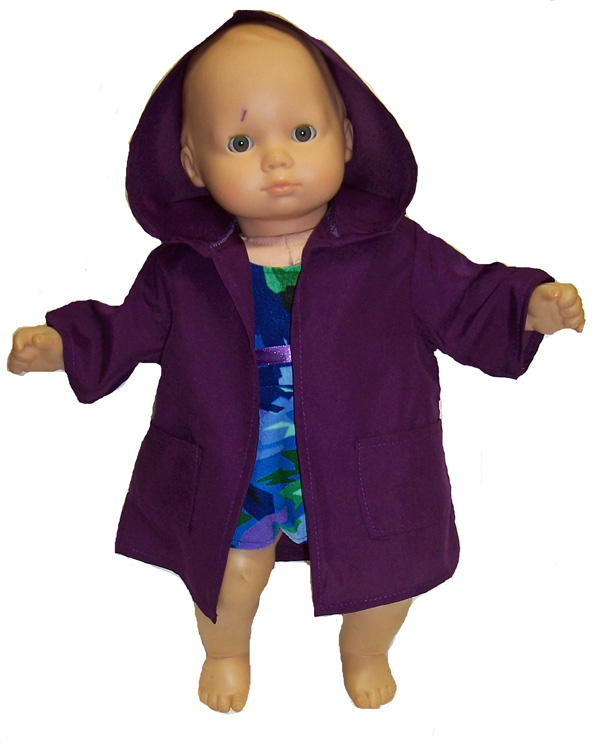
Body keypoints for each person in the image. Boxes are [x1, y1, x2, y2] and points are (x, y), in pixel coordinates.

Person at [8, 11, 584, 714]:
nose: (275, 160)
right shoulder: (184, 270)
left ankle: (365, 648)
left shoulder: (397, 252)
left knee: (385, 581)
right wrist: (62, 345)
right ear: (192, 163)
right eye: (241, 142)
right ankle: (225, 650)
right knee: (228, 576)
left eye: (302, 133)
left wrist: (530, 305)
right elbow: (124, 328)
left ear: (348, 135)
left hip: (362, 460)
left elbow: (469, 297)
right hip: (238, 466)